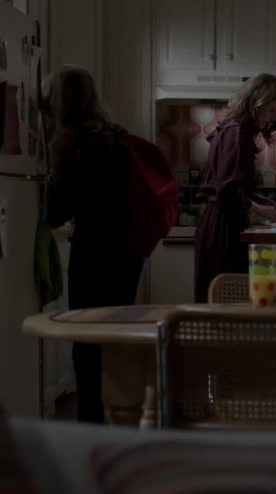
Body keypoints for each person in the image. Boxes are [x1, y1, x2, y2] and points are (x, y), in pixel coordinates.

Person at [43, 65, 144, 423]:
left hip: (94, 253)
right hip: (127, 255)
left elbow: (55, 212)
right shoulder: (115, 136)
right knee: (113, 341)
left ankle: (91, 423)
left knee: (86, 342)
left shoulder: (74, 145)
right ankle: (121, 414)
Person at [194, 74, 276, 303]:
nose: (273, 118)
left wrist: (262, 204)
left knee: (221, 297)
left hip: (221, 222)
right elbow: (227, 192)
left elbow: (234, 186)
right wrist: (265, 211)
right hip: (222, 227)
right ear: (257, 102)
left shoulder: (234, 131)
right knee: (225, 297)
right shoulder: (235, 133)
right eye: (272, 111)